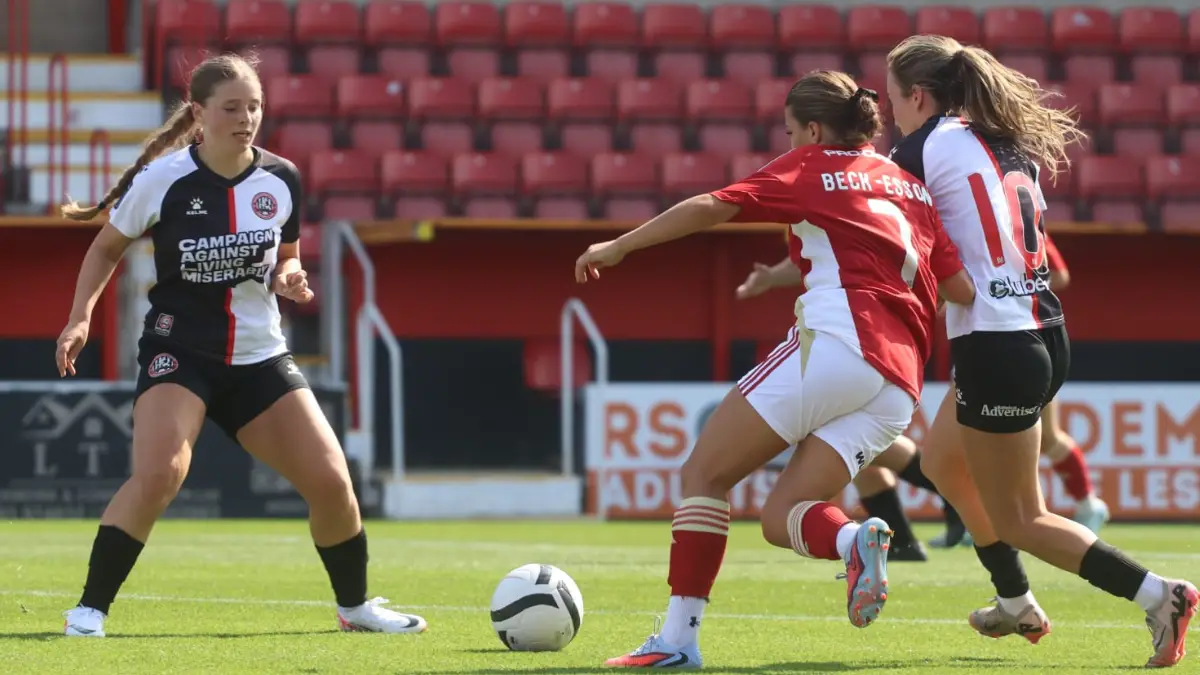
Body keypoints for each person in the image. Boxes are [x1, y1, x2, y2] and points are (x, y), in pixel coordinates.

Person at [574, 70, 976, 669]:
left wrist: (621, 244)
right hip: (899, 382)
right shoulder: (907, 185)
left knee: (703, 474)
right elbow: (962, 287)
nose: (788, 144)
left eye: (791, 132)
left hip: (839, 346)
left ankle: (677, 642)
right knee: (779, 516)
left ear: (813, 129)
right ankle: (853, 538)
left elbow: (713, 205)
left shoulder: (810, 167)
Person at [54, 54, 426, 638]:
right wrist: (80, 318)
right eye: (232, 108)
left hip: (259, 355)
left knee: (332, 482)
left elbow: (287, 255)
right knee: (161, 474)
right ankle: (89, 610)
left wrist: (290, 277)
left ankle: (354, 609)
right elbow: (104, 249)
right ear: (199, 114)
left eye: (254, 106)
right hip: (181, 353)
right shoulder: (164, 179)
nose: (246, 117)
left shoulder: (281, 178)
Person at [886, 35, 1196, 667]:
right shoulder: (1003, 139)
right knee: (944, 462)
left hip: (999, 345)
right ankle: (1014, 600)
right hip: (1043, 332)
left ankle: (1159, 594)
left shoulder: (919, 148)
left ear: (917, 96)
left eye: (894, 99)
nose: (893, 113)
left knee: (1025, 516)